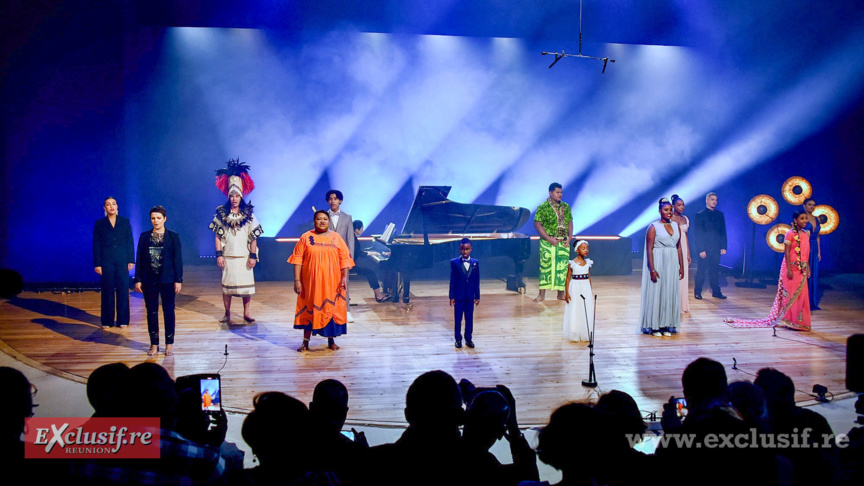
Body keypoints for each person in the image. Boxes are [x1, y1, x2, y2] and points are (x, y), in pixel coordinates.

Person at [725, 211, 811, 331]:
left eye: (806, 218)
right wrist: (789, 269)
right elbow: (786, 252)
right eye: (802, 218)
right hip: (791, 268)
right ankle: (789, 321)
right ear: (795, 220)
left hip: (802, 269)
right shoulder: (790, 234)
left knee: (802, 295)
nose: (805, 221)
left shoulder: (807, 234)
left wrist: (808, 267)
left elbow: (806, 253)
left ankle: (800, 322)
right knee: (790, 295)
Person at [289, 210, 355, 352]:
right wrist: (297, 280)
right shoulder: (306, 237)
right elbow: (297, 259)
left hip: (332, 283)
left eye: (325, 219)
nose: (322, 221)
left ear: (329, 221)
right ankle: (305, 342)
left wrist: (344, 278)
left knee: (330, 308)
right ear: (314, 221)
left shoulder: (336, 238)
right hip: (311, 284)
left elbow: (345, 259)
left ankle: (331, 341)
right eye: (319, 219)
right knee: (309, 309)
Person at [210, 159, 263, 325]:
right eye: (232, 196)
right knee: (227, 287)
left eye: (237, 196)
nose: (234, 199)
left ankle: (246, 313)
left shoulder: (249, 215)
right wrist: (219, 255)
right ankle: (227, 314)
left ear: (241, 196)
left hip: (244, 256)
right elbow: (217, 236)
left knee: (246, 288)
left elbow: (253, 237)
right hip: (228, 257)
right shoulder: (221, 214)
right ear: (229, 196)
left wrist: (253, 255)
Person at [134, 206, 183, 356]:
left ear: (164, 219)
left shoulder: (173, 236)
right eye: (153, 218)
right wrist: (138, 279)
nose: (156, 221)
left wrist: (178, 279)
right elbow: (140, 259)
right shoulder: (144, 236)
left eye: (158, 218)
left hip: (167, 279)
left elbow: (177, 259)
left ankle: (169, 343)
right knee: (152, 312)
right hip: (149, 279)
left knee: (169, 311)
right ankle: (154, 344)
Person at [639, 198, 684, 337]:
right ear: (660, 211)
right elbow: (649, 249)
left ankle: (666, 324)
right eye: (666, 210)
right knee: (657, 292)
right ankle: (654, 326)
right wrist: (652, 269)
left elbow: (678, 247)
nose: (669, 212)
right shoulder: (653, 227)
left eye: (670, 210)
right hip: (658, 262)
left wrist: (681, 266)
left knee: (669, 292)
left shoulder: (676, 226)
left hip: (671, 262)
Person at [93, 197, 135, 329]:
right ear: (104, 208)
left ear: (117, 207)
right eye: (108, 204)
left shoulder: (124, 221)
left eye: (114, 204)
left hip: (122, 260)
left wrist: (131, 260)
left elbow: (129, 241)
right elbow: (96, 244)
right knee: (107, 290)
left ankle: (123, 320)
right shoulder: (100, 224)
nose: (111, 206)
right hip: (106, 261)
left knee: (123, 290)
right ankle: (107, 321)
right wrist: (97, 263)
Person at [533, 183, 572, 302]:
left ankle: (561, 294)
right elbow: (537, 225)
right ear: (550, 192)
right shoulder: (543, 207)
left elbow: (570, 222)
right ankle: (541, 295)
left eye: (561, 192)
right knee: (545, 267)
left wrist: (570, 237)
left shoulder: (566, 206)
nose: (560, 194)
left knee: (562, 268)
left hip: (563, 241)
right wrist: (549, 239)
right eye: (557, 192)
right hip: (548, 241)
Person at [327, 189, 355, 323]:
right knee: (327, 284)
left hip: (342, 257)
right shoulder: (323, 216)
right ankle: (329, 310)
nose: (332, 201)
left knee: (345, 283)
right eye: (330, 199)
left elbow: (350, 239)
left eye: (335, 198)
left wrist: (350, 259)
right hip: (327, 256)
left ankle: (347, 311)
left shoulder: (347, 217)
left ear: (340, 201)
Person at [694, 192, 727, 300]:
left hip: (716, 247)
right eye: (712, 199)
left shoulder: (720, 215)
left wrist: (724, 246)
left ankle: (716, 292)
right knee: (701, 271)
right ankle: (698, 292)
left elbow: (723, 232)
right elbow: (698, 234)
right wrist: (701, 249)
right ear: (707, 200)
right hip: (705, 248)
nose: (714, 202)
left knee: (714, 271)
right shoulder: (700, 215)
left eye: (716, 200)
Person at [450, 238, 480, 349]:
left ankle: (469, 338)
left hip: (469, 296)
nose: (465, 252)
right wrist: (451, 296)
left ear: (471, 249)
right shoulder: (454, 262)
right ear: (459, 249)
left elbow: (477, 281)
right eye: (463, 249)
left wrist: (477, 296)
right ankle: (458, 339)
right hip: (459, 296)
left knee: (469, 319)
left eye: (467, 249)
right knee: (458, 319)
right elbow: (452, 280)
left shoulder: (475, 263)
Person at [562, 240, 593, 342]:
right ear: (577, 250)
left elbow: (588, 277)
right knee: (575, 308)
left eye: (587, 248)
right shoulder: (572, 263)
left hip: (585, 287)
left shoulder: (587, 263)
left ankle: (585, 332)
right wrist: (566, 293)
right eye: (583, 248)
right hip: (575, 287)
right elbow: (567, 278)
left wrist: (590, 290)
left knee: (585, 308)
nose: (586, 250)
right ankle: (574, 332)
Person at [352, 220, 388, 302]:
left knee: (370, 272)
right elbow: (358, 253)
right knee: (370, 272)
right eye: (362, 228)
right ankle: (379, 295)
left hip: (352, 262)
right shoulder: (353, 238)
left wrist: (370, 252)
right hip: (352, 264)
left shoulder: (352, 237)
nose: (362, 230)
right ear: (357, 229)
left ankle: (378, 294)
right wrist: (371, 253)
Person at [671, 194, 692, 314]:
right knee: (674, 275)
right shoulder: (670, 218)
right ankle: (673, 304)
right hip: (674, 247)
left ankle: (682, 304)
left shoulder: (685, 219)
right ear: (673, 206)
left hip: (683, 247)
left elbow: (686, 236)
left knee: (683, 276)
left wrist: (688, 253)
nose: (682, 207)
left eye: (683, 205)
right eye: (679, 205)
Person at [802, 198, 822, 310]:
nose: (812, 207)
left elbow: (818, 235)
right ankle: (802, 302)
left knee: (814, 274)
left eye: (814, 205)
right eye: (809, 204)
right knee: (805, 273)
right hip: (805, 246)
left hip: (814, 247)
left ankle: (812, 302)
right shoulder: (802, 218)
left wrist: (819, 251)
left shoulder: (816, 219)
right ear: (804, 205)